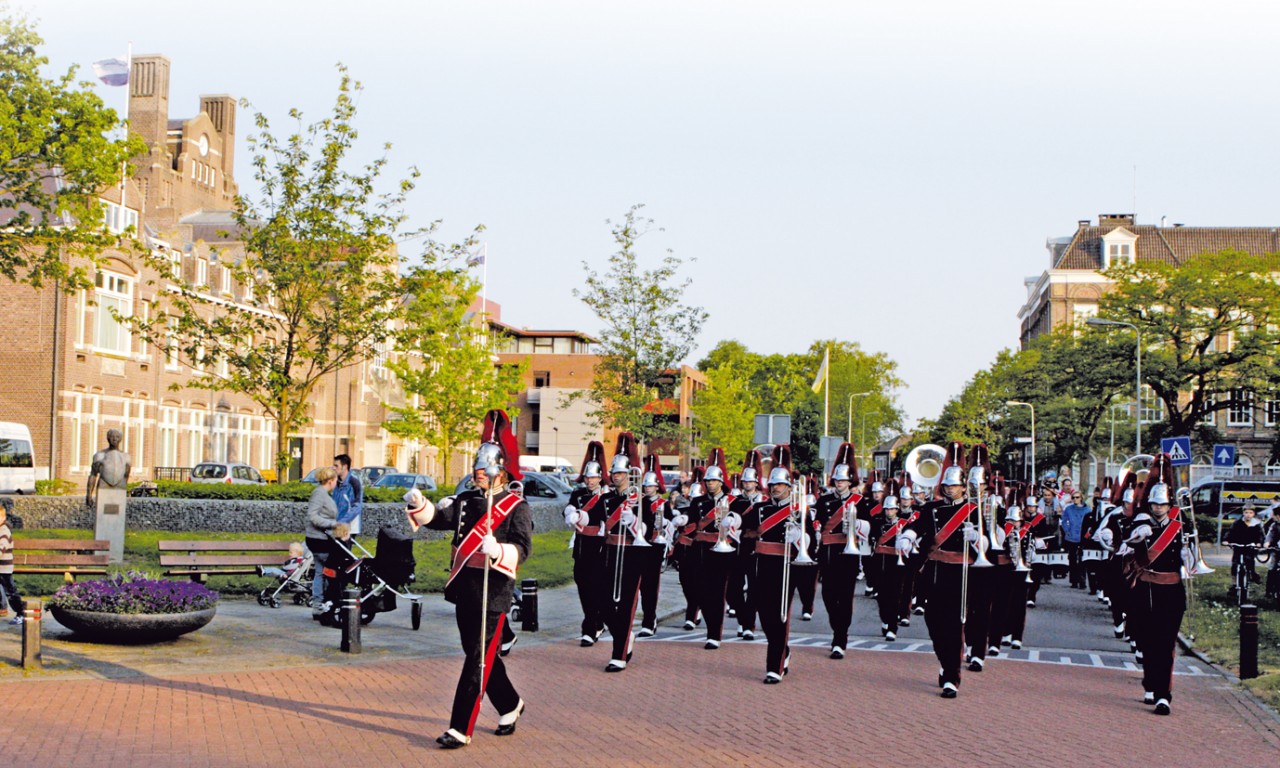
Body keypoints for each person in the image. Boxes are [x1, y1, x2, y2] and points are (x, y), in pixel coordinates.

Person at [409, 409, 532, 748]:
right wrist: (421, 505)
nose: (477, 472)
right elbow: (441, 518)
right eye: (476, 467)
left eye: (484, 467)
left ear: (500, 471)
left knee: (476, 658)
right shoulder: (467, 501)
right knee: (478, 653)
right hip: (465, 588)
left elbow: (523, 548)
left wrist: (499, 550)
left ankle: (460, 728)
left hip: (494, 591)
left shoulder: (516, 507)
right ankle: (510, 704)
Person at [898, 453, 981, 699]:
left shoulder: (974, 510)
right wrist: (908, 534)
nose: (950, 489)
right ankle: (945, 662)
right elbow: (918, 525)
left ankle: (951, 676)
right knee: (933, 624)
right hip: (934, 572)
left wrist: (978, 538)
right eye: (946, 485)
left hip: (959, 572)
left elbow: (991, 538)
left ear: (963, 486)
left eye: (954, 485)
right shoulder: (932, 508)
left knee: (954, 625)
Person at [742, 445, 806, 684]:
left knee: (780, 616)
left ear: (789, 486)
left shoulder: (799, 510)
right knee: (764, 614)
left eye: (780, 485)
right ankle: (784, 651)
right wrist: (731, 518)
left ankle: (774, 667)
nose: (776, 488)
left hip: (785, 566)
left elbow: (811, 539)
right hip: (761, 565)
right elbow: (745, 528)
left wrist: (800, 536)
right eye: (773, 485)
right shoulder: (760, 509)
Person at [1120, 482, 1184, 715]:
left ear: (1169, 505)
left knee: (1166, 643)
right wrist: (1137, 537)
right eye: (1155, 504)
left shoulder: (1179, 528)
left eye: (1163, 504)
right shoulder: (1139, 525)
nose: (1159, 508)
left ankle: (1163, 695)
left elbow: (1189, 558)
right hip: (1146, 591)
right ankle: (1150, 684)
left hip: (1171, 591)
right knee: (1148, 641)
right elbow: (1125, 550)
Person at [812, 442, 866, 657]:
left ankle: (839, 639)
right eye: (837, 479)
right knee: (827, 595)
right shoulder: (824, 500)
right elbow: (816, 520)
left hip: (847, 554)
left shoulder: (860, 502)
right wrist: (815, 526)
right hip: (826, 553)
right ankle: (837, 628)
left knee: (844, 597)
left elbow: (868, 526)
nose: (840, 483)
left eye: (843, 479)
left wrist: (857, 526)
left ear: (850, 481)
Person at [600, 433, 648, 671]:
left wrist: (633, 522)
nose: (615, 476)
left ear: (629, 474)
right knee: (604, 602)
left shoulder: (641, 500)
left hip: (632, 554)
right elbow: (597, 523)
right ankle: (625, 636)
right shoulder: (606, 498)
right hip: (608, 552)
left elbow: (649, 531)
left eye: (620, 473)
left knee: (626, 603)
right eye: (614, 473)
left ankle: (618, 655)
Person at [686, 448, 737, 650]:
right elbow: (691, 524)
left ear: (721, 482)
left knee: (716, 593)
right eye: (707, 481)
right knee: (698, 592)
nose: (709, 484)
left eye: (713, 481)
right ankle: (710, 625)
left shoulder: (733, 502)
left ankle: (714, 633)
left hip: (721, 552)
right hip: (699, 550)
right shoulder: (698, 502)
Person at [564, 442, 608, 646]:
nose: (590, 481)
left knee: (595, 588)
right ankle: (596, 621)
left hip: (598, 548)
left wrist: (581, 515)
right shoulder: (578, 494)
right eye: (588, 477)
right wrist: (569, 512)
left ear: (600, 478)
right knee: (582, 586)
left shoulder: (606, 497)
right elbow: (568, 507)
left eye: (593, 477)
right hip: (581, 547)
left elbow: (600, 517)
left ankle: (591, 627)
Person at [728, 449, 766, 640]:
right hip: (737, 547)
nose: (747, 484)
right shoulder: (735, 502)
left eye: (750, 481)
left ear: (757, 483)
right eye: (745, 481)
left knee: (753, 589)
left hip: (756, 549)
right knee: (733, 589)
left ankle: (749, 625)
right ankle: (743, 620)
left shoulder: (764, 503)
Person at [637, 458, 672, 637]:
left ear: (657, 486)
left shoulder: (663, 504)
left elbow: (671, 525)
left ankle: (649, 620)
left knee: (650, 587)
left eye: (650, 486)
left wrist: (666, 524)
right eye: (645, 486)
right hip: (638, 546)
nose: (647, 488)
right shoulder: (639, 501)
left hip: (654, 546)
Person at [305, 467, 339, 617]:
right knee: (326, 571)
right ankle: (324, 602)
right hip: (319, 539)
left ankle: (319, 604)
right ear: (331, 481)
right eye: (336, 480)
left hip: (321, 538)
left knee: (321, 571)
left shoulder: (322, 493)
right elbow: (312, 516)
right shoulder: (320, 494)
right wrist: (332, 524)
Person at [1225, 504, 1265, 600]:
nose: (1248, 515)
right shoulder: (1237, 523)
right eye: (1246, 512)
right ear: (1243, 513)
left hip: (1250, 547)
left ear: (1254, 514)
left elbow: (1261, 535)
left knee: (1250, 561)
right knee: (1235, 564)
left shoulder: (1256, 524)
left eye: (1250, 513)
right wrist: (1226, 540)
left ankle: (1252, 574)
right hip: (1239, 546)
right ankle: (1234, 584)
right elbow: (1230, 532)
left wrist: (1259, 543)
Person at [1061, 488, 1090, 589]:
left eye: (1077, 497)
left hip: (1083, 538)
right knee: (1072, 559)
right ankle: (1073, 581)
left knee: (1083, 560)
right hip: (1071, 537)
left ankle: (1082, 581)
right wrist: (1067, 531)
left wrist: (1087, 534)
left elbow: (1090, 523)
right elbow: (1064, 521)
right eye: (1073, 498)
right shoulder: (1068, 509)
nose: (1075, 499)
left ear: (1081, 498)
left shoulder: (1087, 509)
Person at [0, 508, 26, 625]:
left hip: (4, 568)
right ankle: (2, 608)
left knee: (11, 592)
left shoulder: (4, 531)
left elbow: (1, 549)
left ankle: (21, 612)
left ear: (4, 518)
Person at [332, 454, 364, 536]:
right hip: (337, 525)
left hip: (350, 527)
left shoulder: (354, 483)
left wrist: (342, 522)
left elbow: (357, 506)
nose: (334, 468)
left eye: (336, 465)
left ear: (345, 466)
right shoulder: (335, 483)